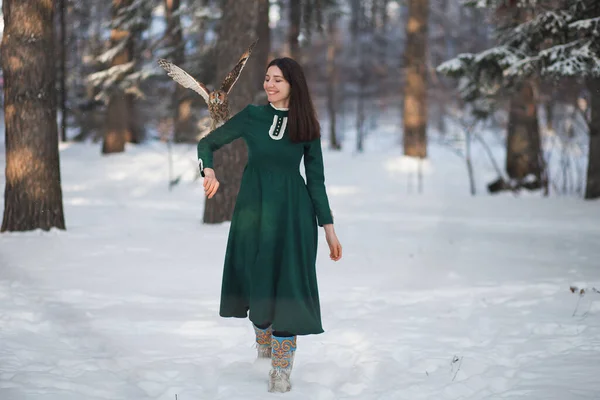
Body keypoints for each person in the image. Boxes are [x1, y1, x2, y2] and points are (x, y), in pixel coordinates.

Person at [197, 57, 342, 393]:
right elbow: (208, 143)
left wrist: (329, 228)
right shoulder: (252, 116)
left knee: (287, 286)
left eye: (278, 79)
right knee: (256, 281)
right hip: (254, 213)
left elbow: (316, 181)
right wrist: (208, 169)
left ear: (294, 84)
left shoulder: (307, 125)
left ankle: (281, 369)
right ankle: (263, 338)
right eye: (267, 78)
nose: (270, 85)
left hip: (294, 216)